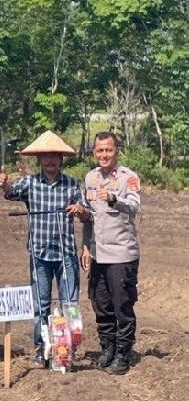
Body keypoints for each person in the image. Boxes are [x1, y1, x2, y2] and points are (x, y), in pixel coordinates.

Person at [0, 130, 89, 366]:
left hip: (66, 252)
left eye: (54, 156)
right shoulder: (30, 182)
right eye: (45, 157)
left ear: (61, 159)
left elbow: (86, 211)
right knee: (41, 304)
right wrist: (4, 185)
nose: (50, 161)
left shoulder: (70, 184)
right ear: (39, 160)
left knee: (69, 303)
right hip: (39, 253)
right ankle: (41, 346)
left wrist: (81, 211)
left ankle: (68, 346)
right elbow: (11, 193)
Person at [81, 131, 140, 375]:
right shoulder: (90, 178)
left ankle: (123, 354)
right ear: (94, 153)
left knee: (122, 306)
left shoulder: (128, 178)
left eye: (109, 150)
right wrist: (85, 247)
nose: (104, 154)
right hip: (98, 254)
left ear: (117, 151)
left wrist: (115, 199)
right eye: (100, 150)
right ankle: (107, 348)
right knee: (101, 305)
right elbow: (89, 218)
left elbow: (135, 206)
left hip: (122, 255)